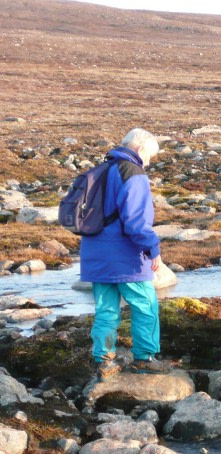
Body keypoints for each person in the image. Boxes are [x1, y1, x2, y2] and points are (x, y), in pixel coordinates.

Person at [80, 127, 168, 380]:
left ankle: (104, 361)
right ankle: (145, 358)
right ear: (139, 149)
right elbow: (136, 222)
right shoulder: (133, 172)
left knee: (106, 310)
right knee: (145, 306)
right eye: (149, 156)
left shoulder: (99, 170)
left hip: (95, 254)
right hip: (125, 256)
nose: (148, 162)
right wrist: (153, 248)